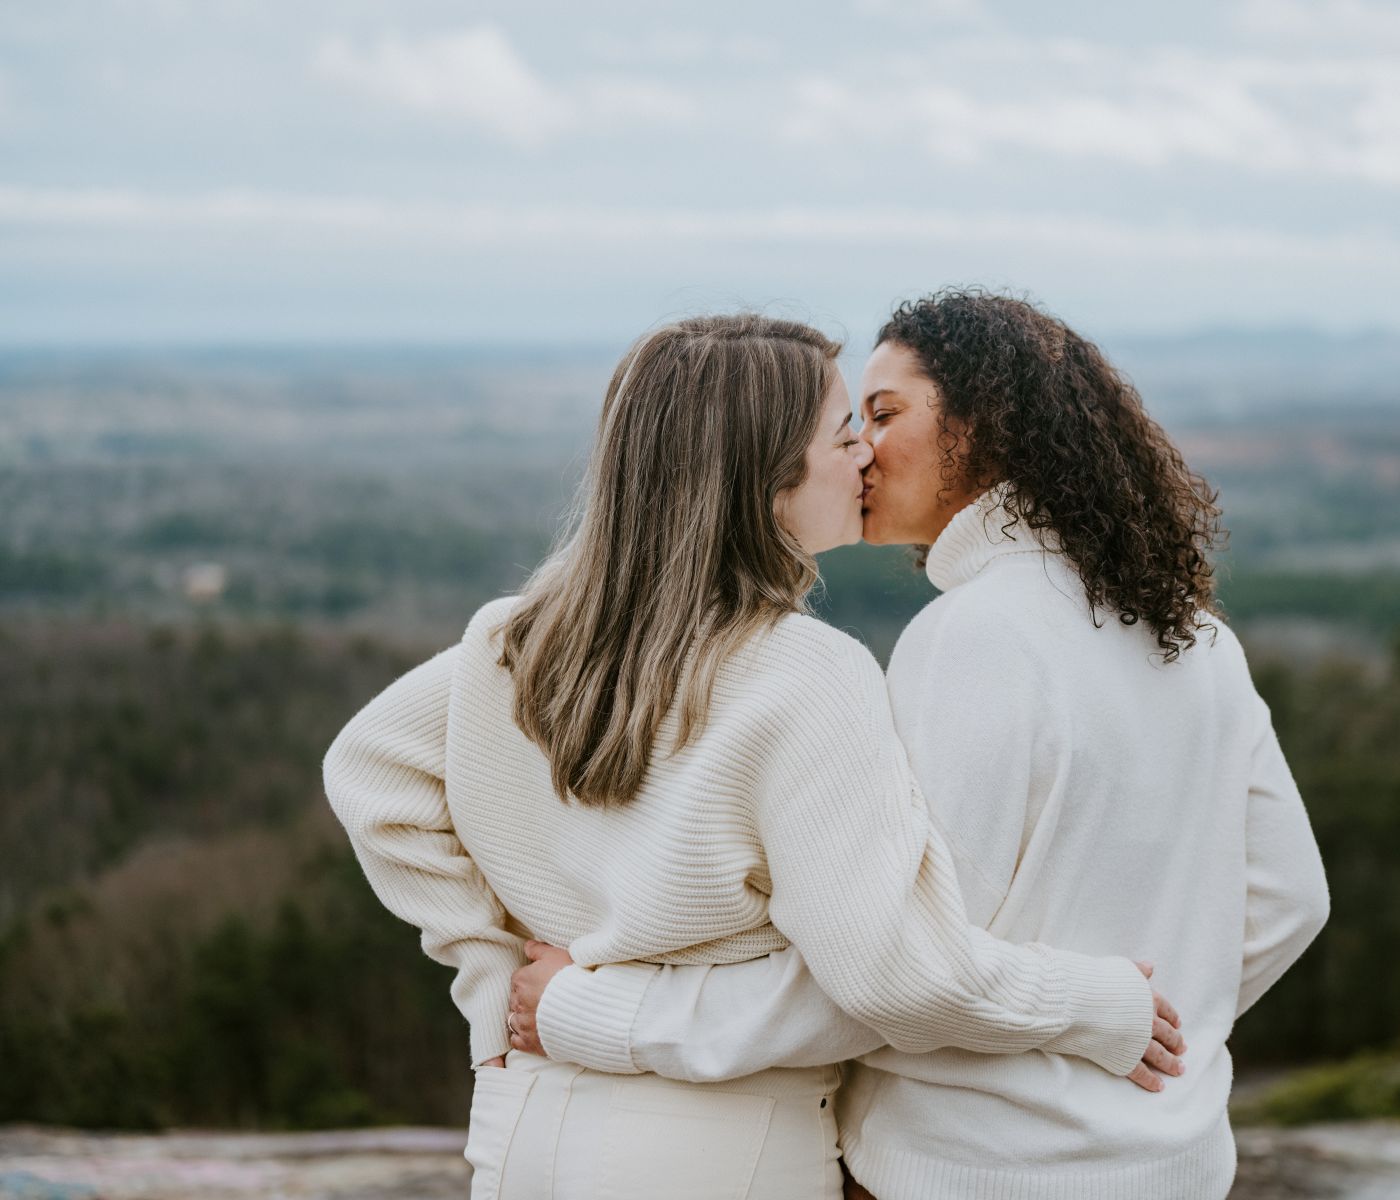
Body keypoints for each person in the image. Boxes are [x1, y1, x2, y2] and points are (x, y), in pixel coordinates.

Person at [322, 313, 1184, 1200]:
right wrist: (1094, 1006)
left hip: (523, 1129)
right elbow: (891, 976)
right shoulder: (808, 674)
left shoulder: (520, 636)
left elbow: (368, 769)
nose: (865, 458)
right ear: (765, 479)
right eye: (844, 433)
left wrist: (490, 977)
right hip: (716, 1143)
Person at [506, 291, 1331, 1200]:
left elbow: (890, 971)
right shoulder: (1199, 640)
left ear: (985, 429)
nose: (862, 448)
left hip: (975, 1166)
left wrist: (604, 1013)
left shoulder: (974, 636)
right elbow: (1290, 900)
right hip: (1172, 1163)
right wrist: (1161, 1026)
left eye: (887, 414)